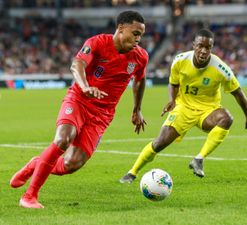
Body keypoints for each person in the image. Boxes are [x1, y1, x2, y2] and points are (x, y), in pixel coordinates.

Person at [10, 10, 148, 208]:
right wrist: (85, 87)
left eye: (141, 35)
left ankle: (35, 164)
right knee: (62, 139)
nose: (138, 39)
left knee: (71, 164)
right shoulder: (98, 42)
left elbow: (139, 81)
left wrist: (137, 109)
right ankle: (29, 196)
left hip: (102, 115)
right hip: (79, 100)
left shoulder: (140, 57)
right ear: (120, 28)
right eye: (135, 33)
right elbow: (77, 64)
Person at [120, 28, 247, 184]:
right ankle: (132, 173)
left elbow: (238, 93)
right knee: (159, 143)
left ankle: (198, 159)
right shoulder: (180, 60)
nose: (204, 51)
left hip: (208, 111)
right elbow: (173, 83)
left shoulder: (221, 69)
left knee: (226, 118)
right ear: (194, 45)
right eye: (200, 46)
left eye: (208, 48)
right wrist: (172, 100)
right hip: (183, 108)